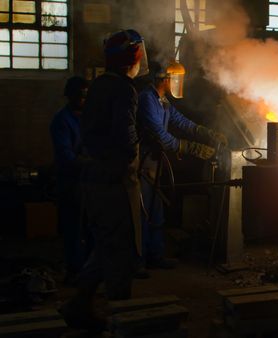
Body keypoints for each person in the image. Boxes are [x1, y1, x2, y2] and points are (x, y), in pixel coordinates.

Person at [61, 29, 148, 331]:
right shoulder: (125, 89)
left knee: (104, 245)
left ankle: (79, 303)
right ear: (134, 57)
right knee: (122, 251)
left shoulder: (99, 84)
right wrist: (135, 156)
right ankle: (123, 317)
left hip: (94, 179)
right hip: (114, 183)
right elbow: (125, 138)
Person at [137, 61, 226, 272]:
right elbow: (160, 136)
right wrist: (190, 147)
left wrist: (206, 133)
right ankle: (138, 263)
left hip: (156, 163)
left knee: (156, 211)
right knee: (142, 212)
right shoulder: (147, 100)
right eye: (176, 79)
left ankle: (155, 256)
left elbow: (182, 122)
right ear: (165, 79)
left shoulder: (163, 101)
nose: (178, 83)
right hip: (143, 162)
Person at [49, 76, 91, 284]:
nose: (83, 100)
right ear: (71, 96)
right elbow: (66, 155)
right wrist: (90, 163)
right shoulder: (61, 120)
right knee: (73, 228)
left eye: (86, 96)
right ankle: (74, 271)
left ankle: (90, 270)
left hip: (89, 180)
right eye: (80, 96)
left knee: (91, 227)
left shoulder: (88, 118)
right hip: (71, 181)